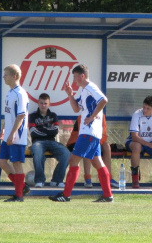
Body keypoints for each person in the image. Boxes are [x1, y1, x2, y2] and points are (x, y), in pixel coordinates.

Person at [49, 64, 113, 202]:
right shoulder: (84, 90)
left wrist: (92, 116)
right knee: (97, 163)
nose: (74, 80)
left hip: (89, 132)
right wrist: (70, 94)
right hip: (90, 132)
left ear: (82, 76)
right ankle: (108, 196)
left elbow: (104, 100)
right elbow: (76, 109)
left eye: (75, 77)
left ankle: (66, 195)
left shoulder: (90, 87)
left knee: (73, 160)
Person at [0, 64, 30, 202]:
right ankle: (21, 186)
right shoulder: (10, 92)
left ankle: (19, 195)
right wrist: (5, 128)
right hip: (8, 135)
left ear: (14, 76)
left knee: (16, 163)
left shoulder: (20, 93)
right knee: (1, 162)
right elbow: (10, 114)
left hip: (17, 136)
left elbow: (21, 116)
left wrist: (12, 134)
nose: (4, 77)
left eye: (6, 74)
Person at [28, 93, 71, 188]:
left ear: (49, 104)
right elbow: (33, 132)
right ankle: (39, 180)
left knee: (67, 154)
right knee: (37, 153)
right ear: (38, 103)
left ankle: (57, 180)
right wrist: (48, 131)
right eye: (41, 103)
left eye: (45, 103)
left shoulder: (53, 115)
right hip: (37, 142)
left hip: (52, 142)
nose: (43, 105)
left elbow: (55, 131)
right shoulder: (32, 116)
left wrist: (41, 130)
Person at [66, 114, 119, 188]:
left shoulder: (101, 116)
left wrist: (97, 143)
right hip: (77, 141)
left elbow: (103, 134)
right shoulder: (83, 115)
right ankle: (87, 178)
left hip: (95, 141)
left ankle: (108, 178)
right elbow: (81, 134)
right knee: (88, 145)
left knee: (106, 146)